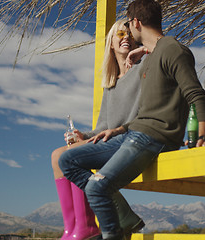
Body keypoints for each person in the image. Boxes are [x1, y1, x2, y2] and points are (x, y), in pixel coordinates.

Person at [58, 1, 205, 240]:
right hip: (133, 133)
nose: (129, 32)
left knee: (97, 187)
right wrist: (118, 129)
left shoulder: (173, 50)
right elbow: (145, 112)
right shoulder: (151, 58)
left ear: (136, 23)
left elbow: (196, 94)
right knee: (67, 159)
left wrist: (202, 135)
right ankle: (119, 228)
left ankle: (115, 234)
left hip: (154, 137)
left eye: (128, 26)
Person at [52, 19, 145, 240]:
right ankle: (75, 227)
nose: (126, 37)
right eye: (120, 34)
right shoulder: (111, 83)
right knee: (58, 154)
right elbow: (104, 127)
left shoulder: (143, 69)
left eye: (129, 34)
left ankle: (88, 226)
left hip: (132, 138)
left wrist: (143, 51)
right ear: (111, 44)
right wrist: (83, 136)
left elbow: (142, 117)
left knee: (67, 156)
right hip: (109, 139)